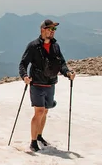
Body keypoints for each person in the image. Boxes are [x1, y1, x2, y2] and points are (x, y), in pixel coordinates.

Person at [19, 19, 75, 152]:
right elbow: (23, 63)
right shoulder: (33, 46)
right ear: (42, 30)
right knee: (39, 111)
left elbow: (61, 63)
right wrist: (25, 76)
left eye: (54, 29)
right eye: (50, 29)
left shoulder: (56, 46)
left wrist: (68, 73)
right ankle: (33, 142)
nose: (52, 31)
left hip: (50, 83)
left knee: (45, 111)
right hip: (37, 84)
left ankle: (39, 136)